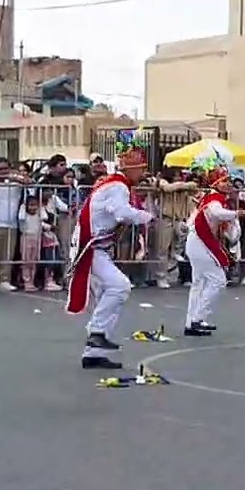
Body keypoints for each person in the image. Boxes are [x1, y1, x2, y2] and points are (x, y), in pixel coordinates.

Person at [64, 130, 154, 370]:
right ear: (132, 169)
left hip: (94, 245)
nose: (144, 174)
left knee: (107, 294)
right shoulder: (118, 187)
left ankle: (93, 353)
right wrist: (147, 217)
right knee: (120, 286)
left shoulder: (112, 183)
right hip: (90, 247)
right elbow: (121, 213)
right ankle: (97, 332)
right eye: (142, 169)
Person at [183, 161, 243, 336]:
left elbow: (232, 234)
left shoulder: (213, 200)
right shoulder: (213, 199)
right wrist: (234, 215)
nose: (229, 185)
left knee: (199, 283)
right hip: (199, 242)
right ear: (216, 184)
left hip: (198, 241)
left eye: (229, 181)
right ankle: (196, 319)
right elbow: (216, 213)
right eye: (225, 181)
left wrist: (233, 219)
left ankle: (193, 321)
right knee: (217, 280)